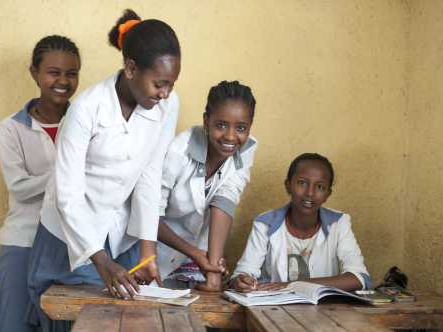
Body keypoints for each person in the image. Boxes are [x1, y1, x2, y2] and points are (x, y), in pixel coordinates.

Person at [26, 9, 181, 330]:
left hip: (118, 238)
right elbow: (66, 194)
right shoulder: (86, 110)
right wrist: (100, 260)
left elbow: (150, 175)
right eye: (159, 83)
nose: (165, 93)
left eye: (171, 83)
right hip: (67, 237)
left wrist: (147, 248)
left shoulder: (167, 104)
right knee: (67, 321)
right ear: (130, 68)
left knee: (120, 322)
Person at [0, 35, 80, 332]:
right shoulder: (11, 128)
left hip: (70, 248)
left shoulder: (85, 124)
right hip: (23, 243)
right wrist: (68, 175)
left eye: (72, 74)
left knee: (65, 326)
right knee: (14, 325)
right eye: (54, 72)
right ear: (34, 72)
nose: (63, 81)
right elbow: (19, 187)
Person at [156, 80, 258, 291]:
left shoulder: (246, 150)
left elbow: (225, 202)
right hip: (157, 248)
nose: (230, 136)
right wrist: (196, 254)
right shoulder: (179, 150)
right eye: (221, 125)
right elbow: (148, 214)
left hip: (199, 255)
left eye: (241, 128)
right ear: (206, 121)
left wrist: (213, 274)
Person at [230, 153, 370, 292]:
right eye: (302, 183)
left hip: (324, 311)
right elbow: (242, 274)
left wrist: (294, 285)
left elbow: (359, 278)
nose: (310, 193)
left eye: (320, 187)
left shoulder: (339, 223)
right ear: (288, 185)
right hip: (275, 310)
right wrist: (242, 281)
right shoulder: (266, 223)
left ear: (328, 194)